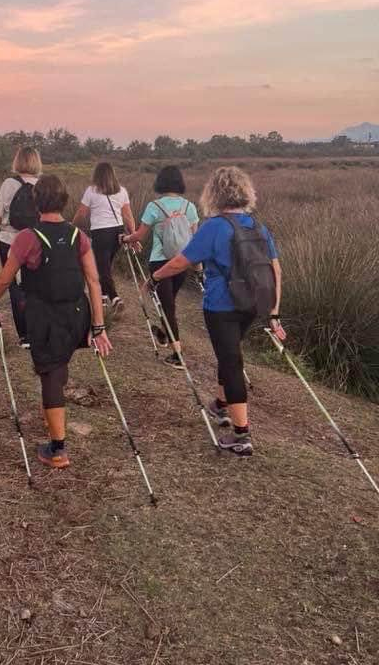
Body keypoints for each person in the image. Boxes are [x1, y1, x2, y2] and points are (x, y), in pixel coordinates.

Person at [143, 166, 285, 456]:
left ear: (214, 194)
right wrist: (273, 313)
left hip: (221, 305)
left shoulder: (214, 226)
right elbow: (276, 270)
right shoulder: (257, 227)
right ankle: (220, 405)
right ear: (245, 193)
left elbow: (181, 261)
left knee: (231, 361)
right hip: (253, 305)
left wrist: (155, 278)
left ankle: (241, 434)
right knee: (229, 353)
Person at [0, 174, 112, 469]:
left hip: (45, 317)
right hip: (77, 315)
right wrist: (98, 326)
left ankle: (57, 450)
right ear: (65, 200)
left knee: (51, 376)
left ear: (35, 201)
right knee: (57, 365)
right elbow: (93, 281)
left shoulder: (27, 237)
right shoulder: (78, 236)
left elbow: (5, 278)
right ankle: (54, 421)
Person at [122, 166, 198, 367]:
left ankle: (177, 355)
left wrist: (126, 238)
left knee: (167, 305)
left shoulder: (154, 206)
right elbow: (195, 238)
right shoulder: (189, 206)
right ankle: (164, 333)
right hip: (182, 262)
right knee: (169, 302)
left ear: (160, 182)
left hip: (160, 262)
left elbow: (139, 235)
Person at [0, 146, 42, 348]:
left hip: (9, 240)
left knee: (14, 286)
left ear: (18, 161)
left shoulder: (9, 183)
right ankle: (38, 329)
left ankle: (25, 335)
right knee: (34, 285)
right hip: (35, 241)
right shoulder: (42, 185)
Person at [72, 162, 135, 317]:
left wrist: (71, 226)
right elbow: (128, 215)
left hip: (101, 233)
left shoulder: (91, 191)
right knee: (105, 266)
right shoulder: (122, 191)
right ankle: (103, 298)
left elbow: (82, 213)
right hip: (118, 233)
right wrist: (133, 235)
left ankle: (115, 298)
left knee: (102, 268)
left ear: (96, 175)